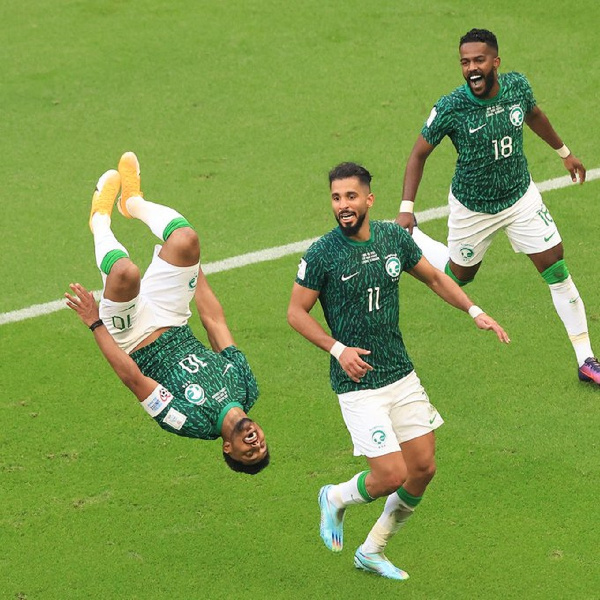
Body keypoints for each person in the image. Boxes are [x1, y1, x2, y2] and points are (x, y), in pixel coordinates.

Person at [287, 162, 509, 580]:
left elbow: (434, 278)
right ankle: (334, 497)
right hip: (358, 384)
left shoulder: (392, 238)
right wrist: (337, 349)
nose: (343, 206)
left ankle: (373, 549)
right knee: (390, 473)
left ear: (368, 199)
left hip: (400, 374)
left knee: (423, 469)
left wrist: (474, 310)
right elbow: (296, 313)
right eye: (336, 198)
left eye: (351, 196)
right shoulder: (321, 254)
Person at [396, 28, 600, 385]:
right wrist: (405, 208)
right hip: (473, 208)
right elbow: (418, 154)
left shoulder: (517, 86)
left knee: (555, 264)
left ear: (495, 62)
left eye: (479, 60)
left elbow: (534, 115)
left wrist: (565, 154)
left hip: (520, 197)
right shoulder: (451, 107)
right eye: (465, 62)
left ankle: (586, 359)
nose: (472, 68)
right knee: (459, 277)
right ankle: (412, 239)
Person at [65, 152, 269, 474]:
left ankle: (99, 220)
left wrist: (95, 323)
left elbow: (133, 379)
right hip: (173, 315)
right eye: (261, 447)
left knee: (124, 273)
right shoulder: (246, 387)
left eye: (248, 453)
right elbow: (215, 322)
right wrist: (192, 267)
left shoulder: (188, 421)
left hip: (133, 336)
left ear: (227, 448)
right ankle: (132, 202)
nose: (255, 444)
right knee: (187, 239)